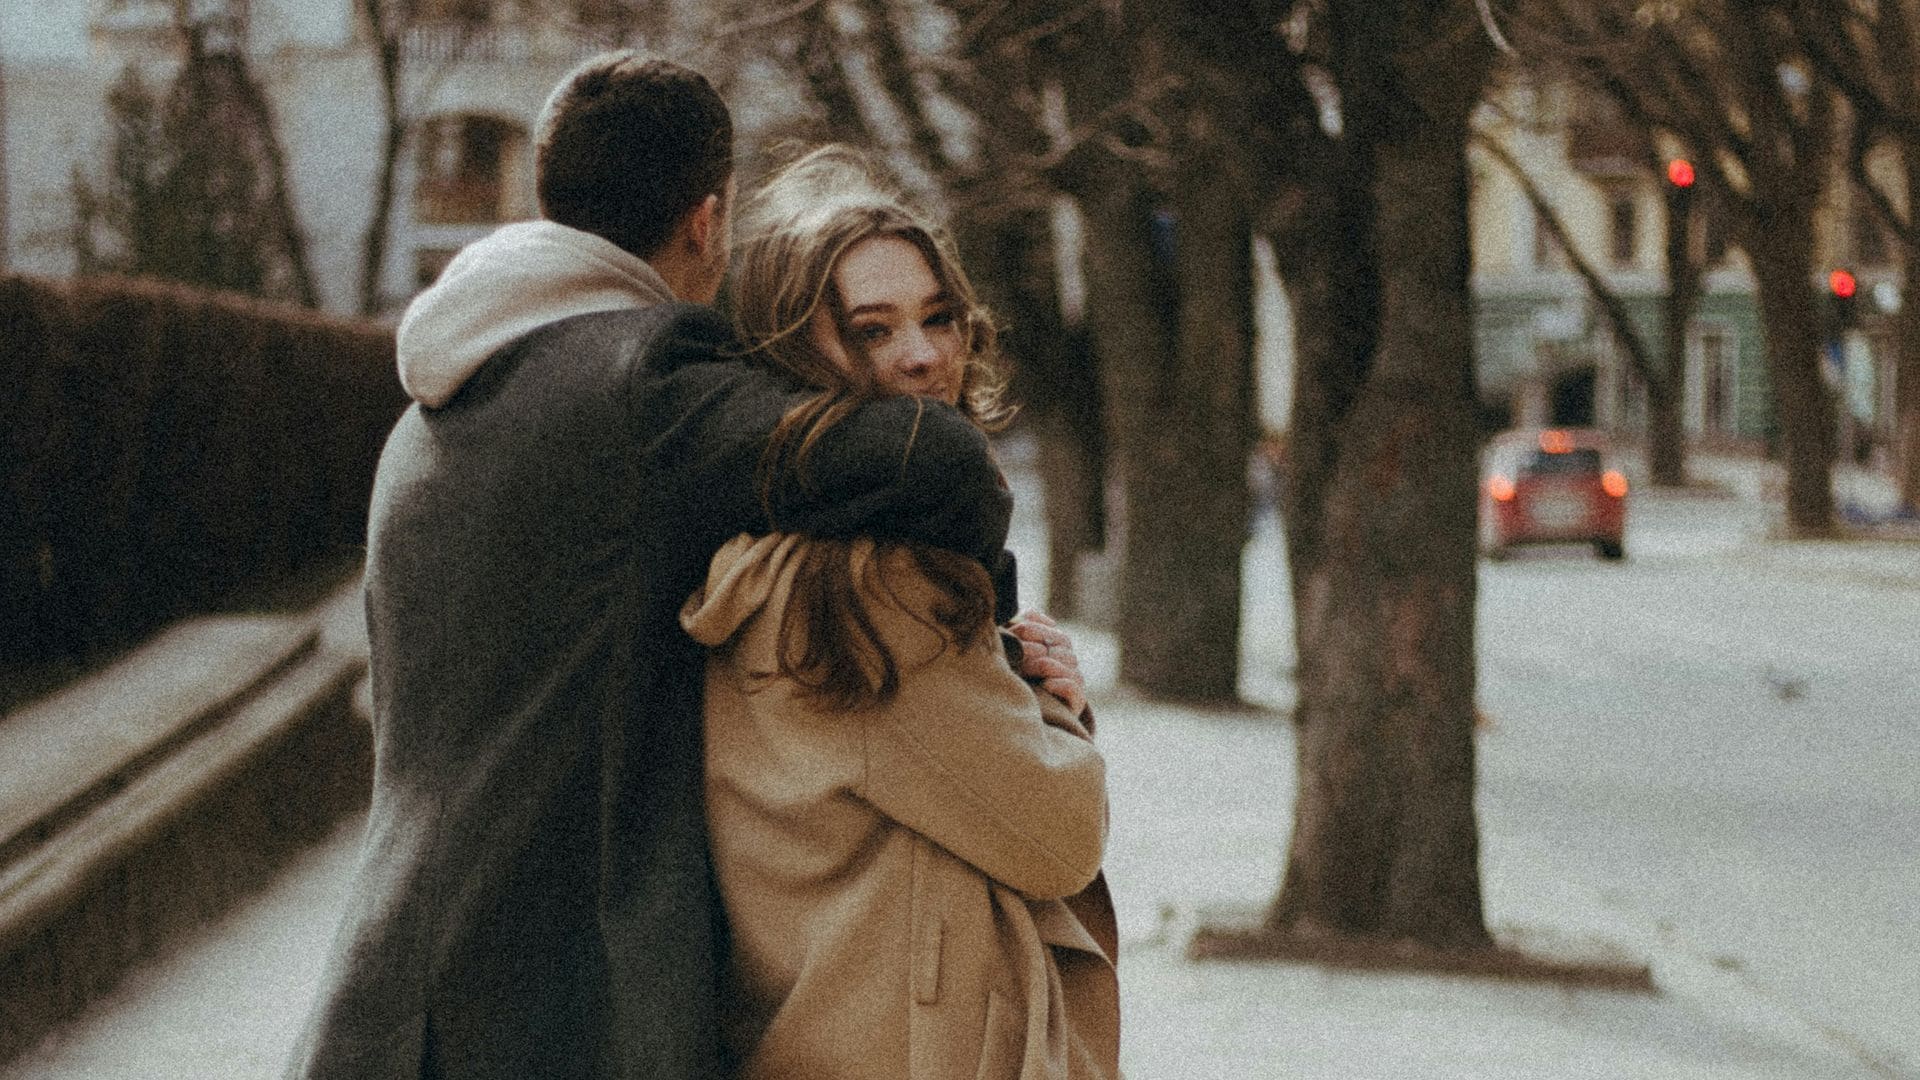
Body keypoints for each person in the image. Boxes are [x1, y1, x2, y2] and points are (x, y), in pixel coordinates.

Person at [290, 57, 1022, 1080]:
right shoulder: (645, 383)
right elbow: (938, 463)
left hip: (388, 994)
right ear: (709, 220)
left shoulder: (432, 409)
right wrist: (1004, 654)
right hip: (555, 1020)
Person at [679, 147, 1120, 1080]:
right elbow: (1059, 837)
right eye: (871, 331)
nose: (922, 355)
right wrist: (1058, 714)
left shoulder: (766, 561)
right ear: (794, 354)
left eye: (937, 317)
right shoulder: (872, 593)